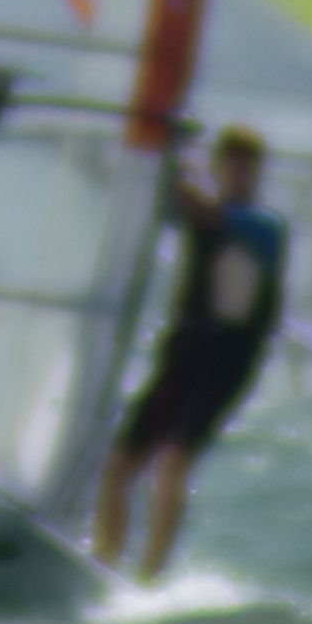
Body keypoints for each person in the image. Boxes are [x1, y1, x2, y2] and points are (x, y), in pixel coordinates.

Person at [93, 123, 283, 579]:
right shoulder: (202, 213)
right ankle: (104, 561)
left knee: (174, 459)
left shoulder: (264, 227)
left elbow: (201, 210)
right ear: (219, 168)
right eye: (230, 166)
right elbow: (168, 205)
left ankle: (150, 574)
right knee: (120, 463)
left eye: (247, 168)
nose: (238, 175)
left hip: (228, 362)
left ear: (258, 174)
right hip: (182, 353)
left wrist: (162, 158)